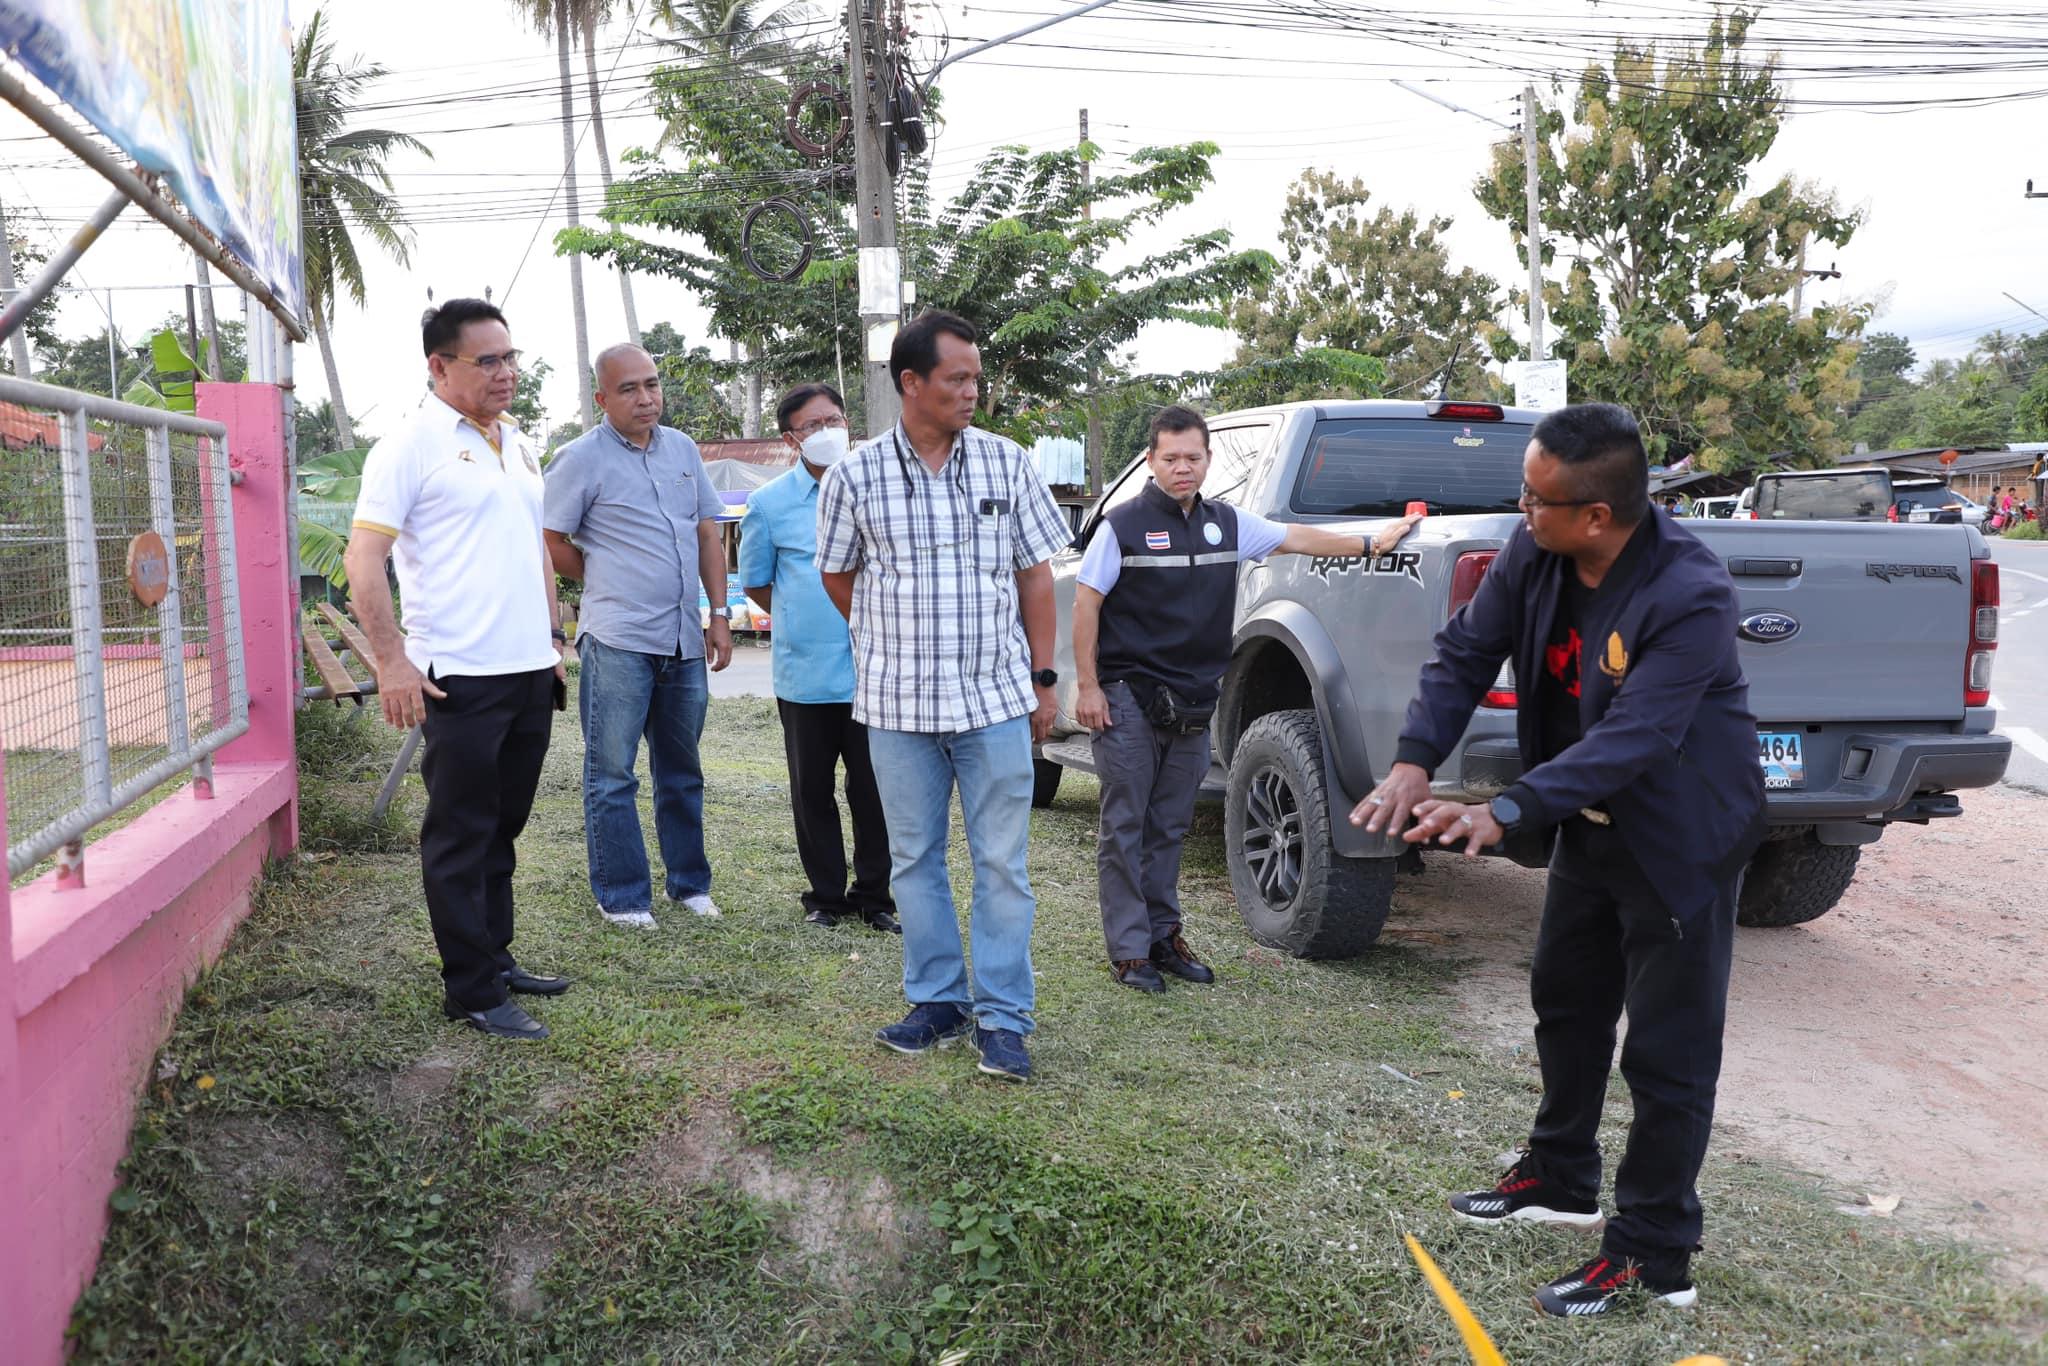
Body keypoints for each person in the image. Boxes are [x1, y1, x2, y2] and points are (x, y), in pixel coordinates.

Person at [1352, 402, 1765, 1317]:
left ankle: (1655, 1250)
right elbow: (1464, 654)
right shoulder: (1535, 549)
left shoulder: (1689, 591)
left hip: (1680, 837)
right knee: (1567, 1003)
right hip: (1591, 822)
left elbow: (1637, 736)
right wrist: (1414, 762)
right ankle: (1561, 1175)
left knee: (1667, 1052)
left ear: (1597, 516)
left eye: (1538, 498)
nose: (1521, 509)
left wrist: (1506, 809)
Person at [1073, 404, 1415, 993]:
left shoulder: (1227, 523)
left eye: (1193, 457)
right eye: (1171, 458)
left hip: (1192, 701)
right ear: (1151, 460)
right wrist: (1087, 686)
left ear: (1208, 459)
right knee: (1126, 825)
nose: (1183, 468)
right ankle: (1129, 952)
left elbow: (1296, 538)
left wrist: (1369, 541)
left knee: (1169, 826)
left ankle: (1163, 937)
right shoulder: (1121, 526)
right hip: (1128, 697)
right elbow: (1087, 603)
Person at [816, 311, 1071, 1083]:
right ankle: (937, 1001)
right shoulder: (855, 476)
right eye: (957, 378)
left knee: (1002, 866)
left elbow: (1035, 575)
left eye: (975, 378)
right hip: (897, 710)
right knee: (915, 861)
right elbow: (836, 573)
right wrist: (889, 637)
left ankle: (1003, 1018)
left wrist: (1043, 679)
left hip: (994, 702)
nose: (971, 391)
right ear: (911, 382)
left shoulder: (1007, 463)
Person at [344, 298, 570, 1042]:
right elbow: (364, 560)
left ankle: (496, 959)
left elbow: (534, 549)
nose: (507, 373)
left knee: (503, 827)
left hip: (529, 669)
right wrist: (392, 661)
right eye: (488, 361)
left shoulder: (517, 441)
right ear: (439, 367)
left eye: (511, 357)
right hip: (460, 676)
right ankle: (470, 990)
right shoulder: (410, 445)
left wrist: (553, 639)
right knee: (459, 834)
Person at [544, 343, 731, 930]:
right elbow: (549, 539)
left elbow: (706, 533)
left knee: (682, 771)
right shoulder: (579, 458)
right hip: (619, 639)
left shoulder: (682, 449)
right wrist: (603, 574)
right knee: (612, 774)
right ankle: (623, 896)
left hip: (682, 638)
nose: (646, 397)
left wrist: (719, 613)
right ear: (602, 398)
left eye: (651, 384)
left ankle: (689, 885)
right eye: (629, 389)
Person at [739, 383, 899, 934]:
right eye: (813, 425)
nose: (828, 432)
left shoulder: (878, 488)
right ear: (791, 439)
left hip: (873, 671)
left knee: (873, 790)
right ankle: (825, 898)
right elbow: (757, 583)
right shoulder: (769, 504)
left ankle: (875, 897)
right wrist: (803, 617)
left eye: (835, 420)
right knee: (812, 791)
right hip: (805, 675)